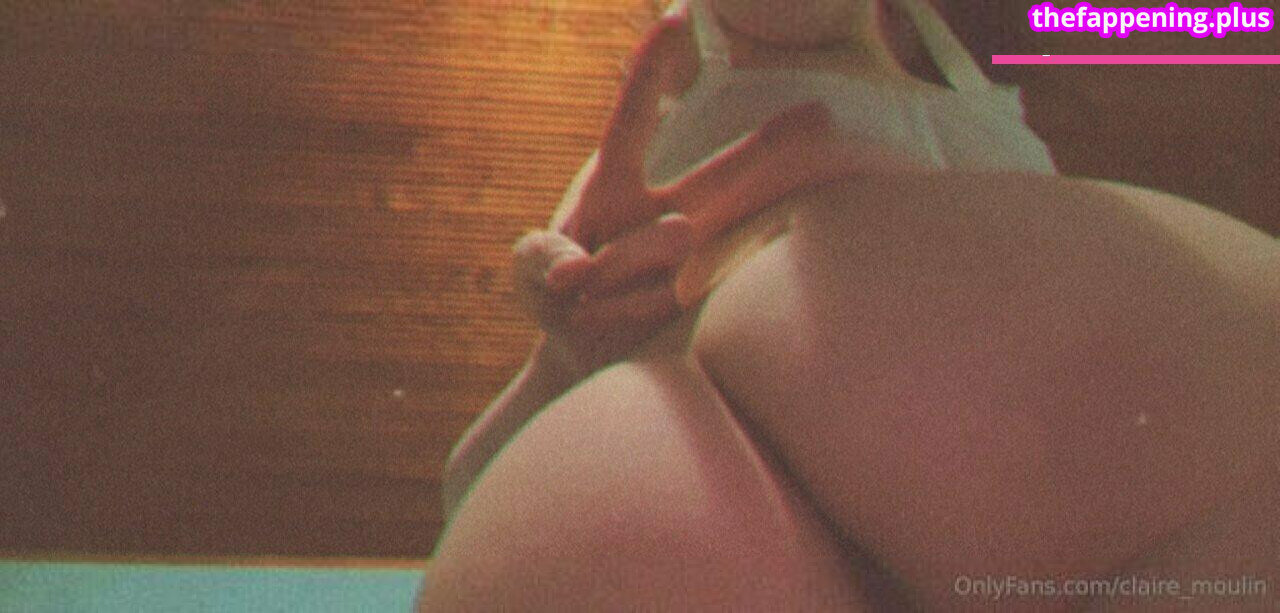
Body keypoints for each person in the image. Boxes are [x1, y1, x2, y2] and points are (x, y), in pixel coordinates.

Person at [419, 0, 1279, 610]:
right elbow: (472, 485)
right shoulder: (660, 135)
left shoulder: (993, 52)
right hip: (734, 509)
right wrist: (565, 356)